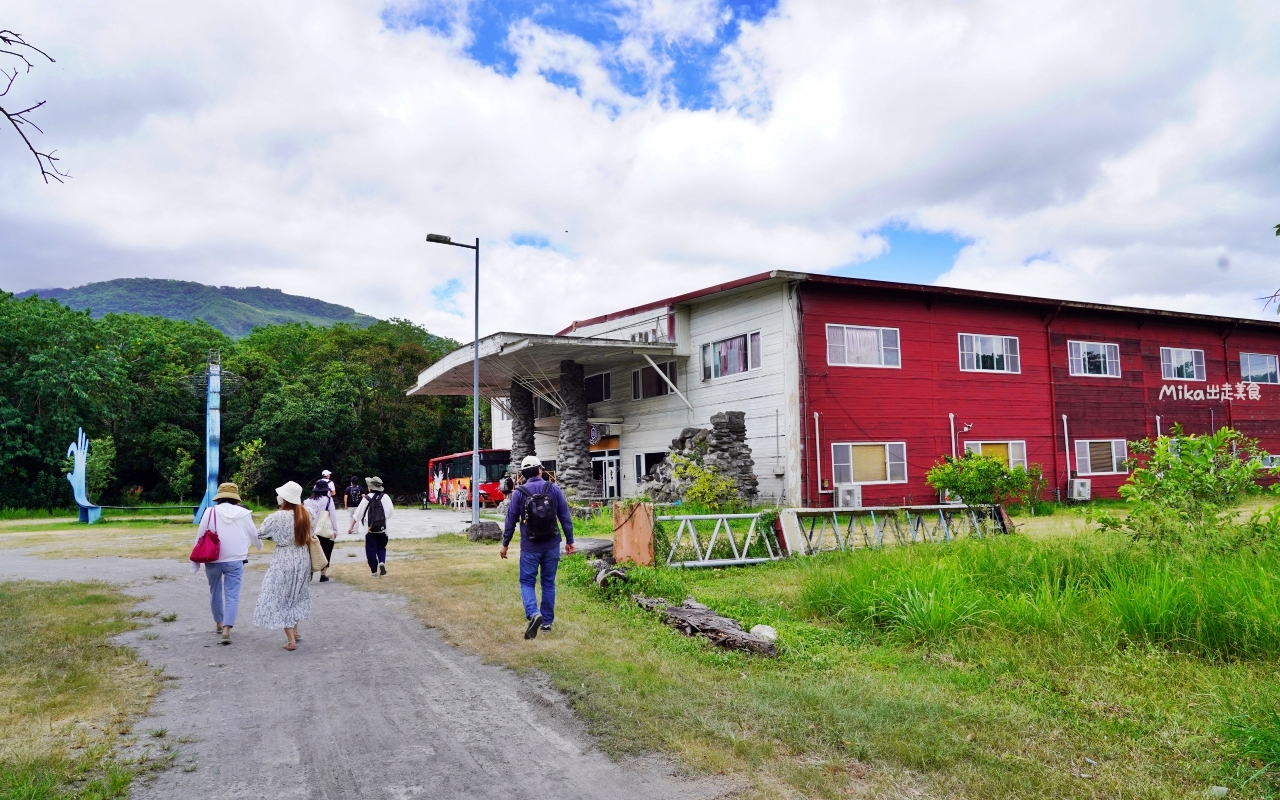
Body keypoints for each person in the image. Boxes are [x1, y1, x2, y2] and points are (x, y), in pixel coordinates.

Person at [501, 456, 575, 639]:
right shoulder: (553, 489)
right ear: (540, 470)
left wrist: (505, 544)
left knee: (527, 582)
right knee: (548, 582)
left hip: (530, 546)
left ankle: (534, 614)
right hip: (551, 544)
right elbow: (564, 516)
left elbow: (510, 520)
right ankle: (547, 622)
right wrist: (570, 540)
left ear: (523, 474)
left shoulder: (519, 493)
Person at [192, 482, 262, 645]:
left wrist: (195, 562)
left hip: (212, 558)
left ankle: (218, 622)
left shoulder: (210, 512)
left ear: (219, 497)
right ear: (236, 498)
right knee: (232, 595)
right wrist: (259, 546)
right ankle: (226, 630)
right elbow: (253, 534)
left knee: (215, 591)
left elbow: (200, 536)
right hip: (235, 559)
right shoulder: (244, 513)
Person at [253, 481, 313, 650]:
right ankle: (295, 629)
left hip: (284, 558)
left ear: (285, 498)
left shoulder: (277, 517)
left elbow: (261, 533)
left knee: (282, 596)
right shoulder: (308, 513)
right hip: (302, 557)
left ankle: (290, 640)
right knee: (297, 593)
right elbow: (312, 532)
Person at [348, 476, 393, 576]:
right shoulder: (386, 497)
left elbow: (357, 515)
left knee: (371, 549)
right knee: (381, 547)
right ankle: (381, 562)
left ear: (370, 487)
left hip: (369, 529)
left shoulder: (366, 498)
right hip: (383, 529)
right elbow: (390, 513)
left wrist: (351, 527)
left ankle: (373, 571)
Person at [304, 479, 339, 583]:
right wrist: (335, 529)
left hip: (311, 531)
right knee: (326, 551)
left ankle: (310, 571)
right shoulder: (328, 500)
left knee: (311, 552)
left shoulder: (307, 501)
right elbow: (332, 515)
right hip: (325, 529)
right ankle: (323, 575)